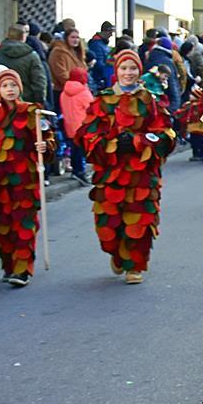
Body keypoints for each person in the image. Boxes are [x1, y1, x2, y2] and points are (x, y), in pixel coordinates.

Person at [76, 49, 176, 285]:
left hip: (141, 173)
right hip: (109, 172)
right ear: (117, 71)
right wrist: (109, 144)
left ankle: (135, 266)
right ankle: (117, 254)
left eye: (132, 68)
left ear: (139, 71)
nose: (128, 73)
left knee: (139, 221)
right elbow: (86, 133)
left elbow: (165, 134)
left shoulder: (149, 100)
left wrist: (137, 142)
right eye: (124, 68)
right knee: (108, 224)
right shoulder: (102, 100)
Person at [0, 69, 55, 285]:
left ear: (20, 89)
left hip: (25, 176)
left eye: (14, 86)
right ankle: (9, 265)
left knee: (24, 220)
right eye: (6, 85)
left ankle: (22, 269)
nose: (10, 89)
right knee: (3, 221)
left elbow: (48, 138)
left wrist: (44, 147)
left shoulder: (32, 112)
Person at [0, 25, 47, 104]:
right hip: (27, 100)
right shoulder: (32, 56)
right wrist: (40, 101)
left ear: (7, 35)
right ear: (23, 37)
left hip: (3, 99)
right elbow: (39, 81)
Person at [59, 66, 94, 186]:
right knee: (81, 150)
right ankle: (80, 172)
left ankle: (75, 170)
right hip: (82, 126)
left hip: (69, 125)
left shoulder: (64, 92)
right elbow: (92, 108)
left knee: (74, 148)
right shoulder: (84, 92)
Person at [48, 28, 88, 96]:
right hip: (62, 91)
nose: (75, 40)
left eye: (77, 37)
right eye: (72, 37)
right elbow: (61, 74)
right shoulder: (58, 52)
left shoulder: (77, 52)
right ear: (66, 38)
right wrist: (75, 86)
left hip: (78, 91)